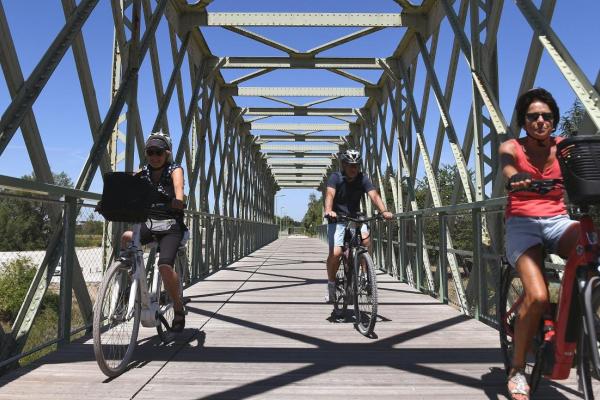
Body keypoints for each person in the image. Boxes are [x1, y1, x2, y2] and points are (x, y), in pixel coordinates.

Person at [499, 88, 580, 400]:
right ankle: (517, 369)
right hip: (522, 223)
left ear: (554, 119)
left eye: (546, 116)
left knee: (592, 248)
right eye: (533, 116)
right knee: (536, 295)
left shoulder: (564, 148)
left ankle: (576, 317)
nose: (540, 121)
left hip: (558, 220)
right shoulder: (512, 146)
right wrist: (515, 175)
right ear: (524, 121)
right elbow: (507, 164)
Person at [120, 131, 188, 332]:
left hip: (171, 225)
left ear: (167, 153)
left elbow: (179, 189)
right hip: (150, 223)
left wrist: (178, 199)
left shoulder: (174, 169)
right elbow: (126, 188)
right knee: (126, 238)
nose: (154, 156)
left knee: (164, 265)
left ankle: (178, 307)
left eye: (159, 152)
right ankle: (130, 282)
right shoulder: (143, 171)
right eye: (150, 152)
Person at [323, 149, 393, 304]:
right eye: (350, 165)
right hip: (338, 219)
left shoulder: (363, 178)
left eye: (356, 165)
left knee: (366, 242)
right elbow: (329, 195)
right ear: (343, 165)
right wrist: (329, 210)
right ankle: (331, 285)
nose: (354, 169)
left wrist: (384, 211)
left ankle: (366, 276)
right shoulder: (335, 177)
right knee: (335, 253)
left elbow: (374, 195)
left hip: (355, 218)